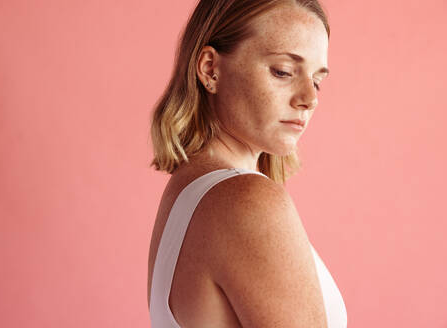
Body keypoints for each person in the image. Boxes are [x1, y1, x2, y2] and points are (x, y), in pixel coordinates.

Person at [147, 0, 347, 327]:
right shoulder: (246, 201)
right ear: (210, 69)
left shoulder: (188, 194)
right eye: (283, 71)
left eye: (317, 80)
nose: (309, 99)